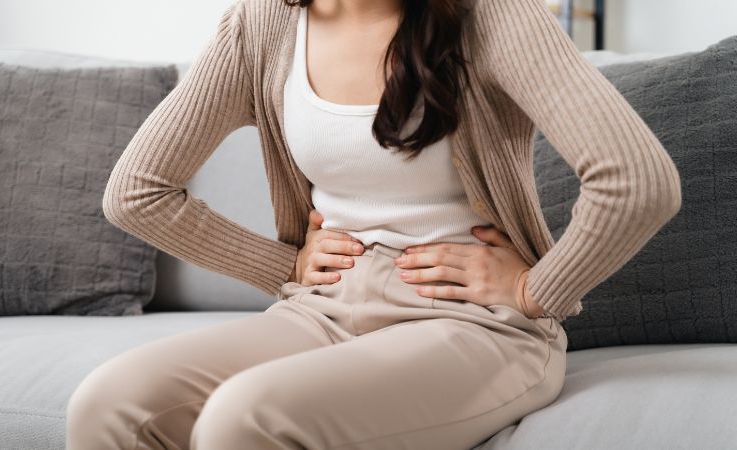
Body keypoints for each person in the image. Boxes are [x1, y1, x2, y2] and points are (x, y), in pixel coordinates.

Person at [65, 0, 682, 448]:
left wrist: (535, 290)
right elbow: (137, 191)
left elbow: (638, 180)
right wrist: (283, 265)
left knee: (244, 420)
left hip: (473, 324)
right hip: (324, 309)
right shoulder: (263, 24)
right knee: (109, 404)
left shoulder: (493, 15)